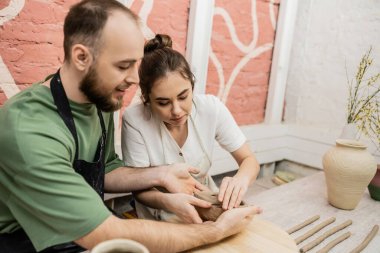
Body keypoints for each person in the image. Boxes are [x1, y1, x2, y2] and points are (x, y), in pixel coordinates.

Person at [0, 1, 261, 252]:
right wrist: (216, 230)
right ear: (81, 57)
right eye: (123, 65)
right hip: (26, 240)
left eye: (135, 64)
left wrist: (162, 174)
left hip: (77, 232)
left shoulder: (98, 102)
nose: (135, 79)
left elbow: (107, 170)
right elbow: (106, 232)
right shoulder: (27, 129)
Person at [121, 34, 261, 224]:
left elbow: (249, 160)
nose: (176, 111)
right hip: (159, 215)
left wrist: (240, 180)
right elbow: (140, 190)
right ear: (146, 97)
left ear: (192, 85)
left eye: (183, 96)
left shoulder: (211, 108)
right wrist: (170, 202)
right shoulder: (135, 120)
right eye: (163, 103)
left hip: (207, 208)